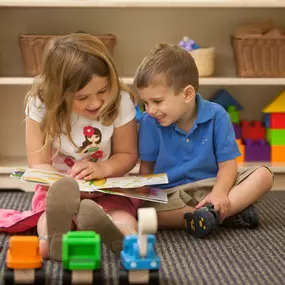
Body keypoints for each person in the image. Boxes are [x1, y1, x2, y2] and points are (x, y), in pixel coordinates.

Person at [134, 43, 273, 238]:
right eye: (145, 103)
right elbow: (146, 169)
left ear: (187, 94)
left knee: (263, 175)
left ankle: (211, 212)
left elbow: (227, 165)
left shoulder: (218, 115)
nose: (149, 110)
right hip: (171, 194)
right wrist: (137, 200)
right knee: (143, 214)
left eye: (157, 102)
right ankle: (224, 214)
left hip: (213, 184)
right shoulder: (150, 122)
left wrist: (220, 192)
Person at [22, 33, 140, 261]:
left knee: (121, 212)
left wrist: (103, 168)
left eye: (103, 91)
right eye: (82, 97)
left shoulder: (121, 100)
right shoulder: (40, 104)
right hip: (58, 188)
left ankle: (123, 236)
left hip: (105, 185)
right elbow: (38, 164)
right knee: (50, 213)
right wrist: (66, 186)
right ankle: (51, 238)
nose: (95, 103)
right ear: (58, 92)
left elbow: (127, 154)